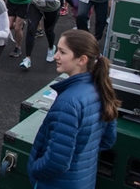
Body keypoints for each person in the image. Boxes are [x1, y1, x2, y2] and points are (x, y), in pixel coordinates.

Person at [28, 30, 118, 189]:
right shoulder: (101, 88)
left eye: (62, 52)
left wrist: (34, 169)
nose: (56, 56)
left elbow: (56, 161)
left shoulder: (68, 102)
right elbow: (108, 140)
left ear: (82, 60)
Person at [13, 0, 61, 69]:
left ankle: (51, 48)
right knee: (31, 28)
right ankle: (27, 58)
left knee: (49, 30)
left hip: (51, 7)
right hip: (36, 4)